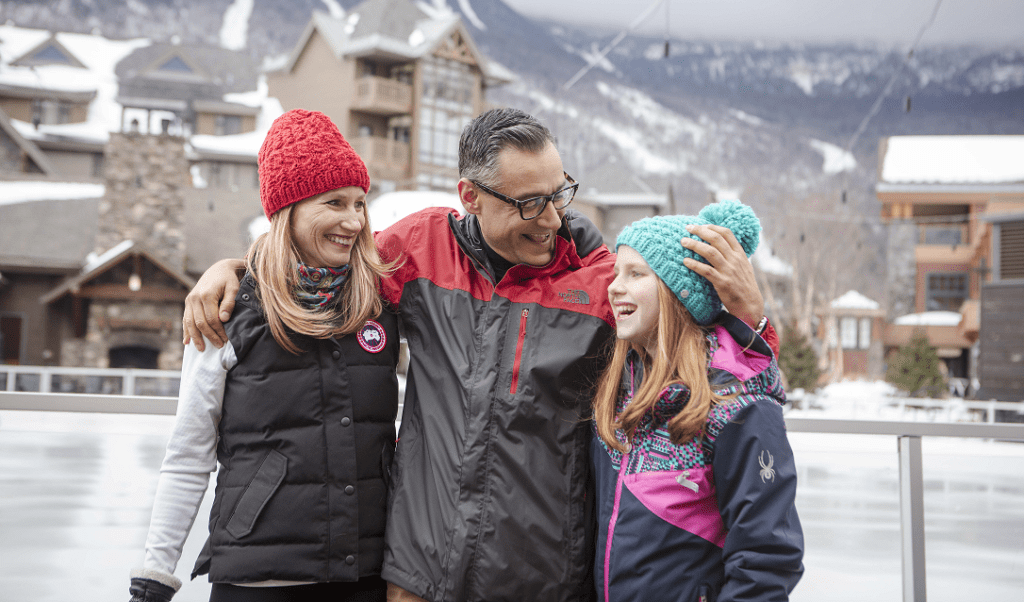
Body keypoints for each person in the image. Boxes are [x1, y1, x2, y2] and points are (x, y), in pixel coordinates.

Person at [182, 108, 779, 602]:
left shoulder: (603, 286)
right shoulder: (418, 248)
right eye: (527, 203)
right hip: (415, 580)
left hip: (538, 581)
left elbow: (710, 367)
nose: (550, 218)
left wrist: (752, 316)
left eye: (558, 194)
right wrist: (238, 269)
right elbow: (324, 261)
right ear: (470, 196)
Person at [128, 110, 400, 602]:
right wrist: (155, 575)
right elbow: (189, 453)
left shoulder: (378, 307)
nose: (354, 221)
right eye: (334, 202)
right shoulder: (227, 311)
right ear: (287, 210)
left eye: (360, 204)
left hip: (366, 573)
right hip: (258, 579)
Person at [592, 202, 803, 602]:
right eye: (617, 272)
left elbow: (769, 556)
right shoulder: (617, 394)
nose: (614, 286)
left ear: (678, 294)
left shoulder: (738, 406)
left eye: (636, 274)